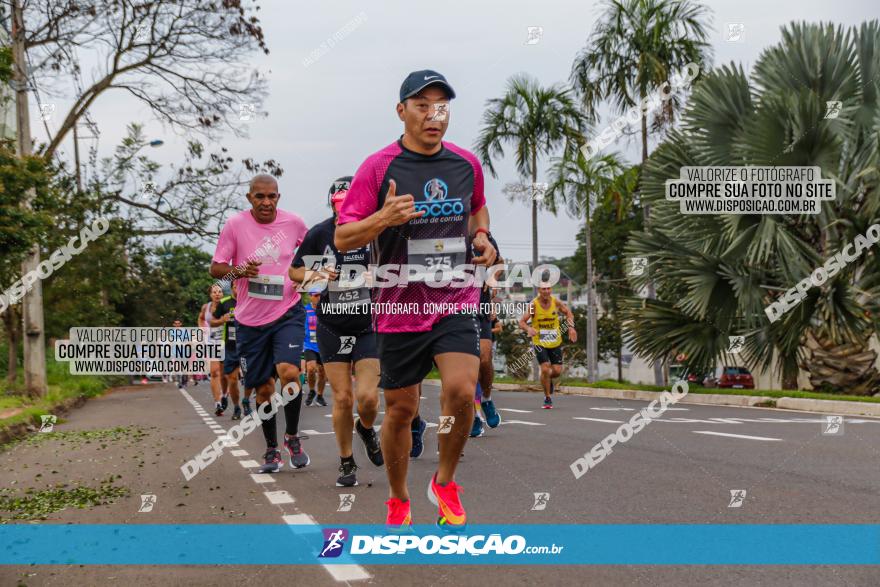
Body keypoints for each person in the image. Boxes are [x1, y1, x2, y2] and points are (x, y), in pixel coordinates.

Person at [335, 70, 496, 531]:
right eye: (422, 105)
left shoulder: (466, 164)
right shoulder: (378, 167)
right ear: (401, 110)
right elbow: (345, 238)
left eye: (441, 106)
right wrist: (383, 217)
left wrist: (481, 235)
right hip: (400, 308)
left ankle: (444, 483)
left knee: (461, 392)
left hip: (455, 297)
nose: (433, 115)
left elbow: (477, 206)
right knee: (402, 410)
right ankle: (399, 496)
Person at [209, 173, 311, 473]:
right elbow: (216, 270)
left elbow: (312, 254)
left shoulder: (294, 224)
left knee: (289, 373)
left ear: (278, 197)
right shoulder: (235, 225)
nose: (266, 202)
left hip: (287, 312)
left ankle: (292, 435)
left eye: (272, 196)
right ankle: (271, 448)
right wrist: (239, 270)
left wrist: (308, 277)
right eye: (260, 197)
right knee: (265, 389)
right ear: (249, 198)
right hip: (250, 320)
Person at [291, 177, 383, 487]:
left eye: (351, 204)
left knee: (368, 399)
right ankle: (346, 461)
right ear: (332, 204)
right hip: (331, 323)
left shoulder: (372, 230)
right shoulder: (319, 234)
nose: (345, 211)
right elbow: (294, 271)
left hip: (366, 324)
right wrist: (315, 273)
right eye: (340, 205)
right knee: (343, 398)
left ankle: (367, 429)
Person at [518, 285, 577, 409]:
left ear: (551, 290)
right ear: (539, 290)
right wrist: (529, 328)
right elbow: (522, 322)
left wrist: (571, 327)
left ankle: (547, 379)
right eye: (543, 289)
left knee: (556, 371)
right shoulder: (534, 305)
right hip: (539, 342)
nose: (546, 291)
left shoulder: (556, 302)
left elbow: (569, 313)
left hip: (555, 342)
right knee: (545, 369)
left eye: (548, 288)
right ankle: (547, 397)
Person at [471, 236, 502, 437]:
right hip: (449, 307)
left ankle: (487, 399)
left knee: (484, 358)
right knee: (464, 367)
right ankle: (473, 415)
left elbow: (499, 262)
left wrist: (492, 277)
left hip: (480, 305)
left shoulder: (482, 236)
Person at [211, 281, 245, 420]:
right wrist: (222, 320)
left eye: (240, 286)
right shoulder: (224, 303)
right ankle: (237, 407)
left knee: (251, 378)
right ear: (232, 288)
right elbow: (212, 321)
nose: (238, 289)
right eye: (236, 287)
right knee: (231, 378)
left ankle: (247, 400)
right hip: (230, 346)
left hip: (247, 345)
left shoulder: (248, 301)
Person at [200, 284, 228, 416]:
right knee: (214, 372)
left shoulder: (227, 305)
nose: (217, 294)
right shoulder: (206, 307)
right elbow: (200, 318)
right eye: (214, 292)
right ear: (210, 294)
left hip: (226, 342)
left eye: (220, 291)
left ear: (222, 294)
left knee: (224, 374)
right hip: (212, 342)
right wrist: (203, 330)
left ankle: (224, 395)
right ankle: (217, 402)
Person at [302, 290, 328, 407]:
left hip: (323, 345)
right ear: (310, 296)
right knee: (311, 368)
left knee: (322, 372)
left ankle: (320, 395)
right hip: (309, 345)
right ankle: (312, 390)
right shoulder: (305, 310)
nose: (318, 298)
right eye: (316, 296)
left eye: (320, 296)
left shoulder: (326, 309)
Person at [171, 318, 189, 390]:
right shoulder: (172, 332)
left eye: (178, 323)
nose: (177, 325)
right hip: (175, 352)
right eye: (176, 324)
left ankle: (185, 380)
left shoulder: (185, 331)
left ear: (180, 324)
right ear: (174, 325)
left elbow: (188, 341)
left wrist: (184, 344)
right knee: (177, 366)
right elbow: (171, 341)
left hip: (184, 351)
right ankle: (179, 381)